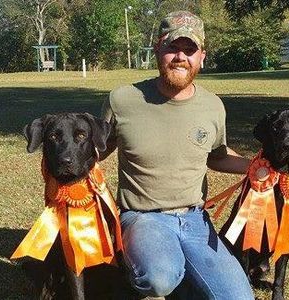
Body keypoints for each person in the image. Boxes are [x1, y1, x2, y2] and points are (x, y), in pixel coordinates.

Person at [100, 10, 254, 300]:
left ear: (201, 57)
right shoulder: (122, 100)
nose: (180, 57)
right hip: (143, 218)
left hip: (195, 219)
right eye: (173, 47)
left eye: (189, 50)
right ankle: (154, 266)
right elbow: (98, 151)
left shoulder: (213, 106)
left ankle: (183, 274)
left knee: (239, 297)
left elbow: (217, 156)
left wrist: (258, 167)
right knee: (158, 278)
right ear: (158, 48)